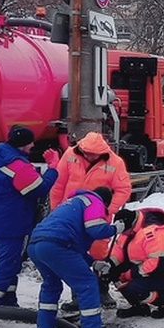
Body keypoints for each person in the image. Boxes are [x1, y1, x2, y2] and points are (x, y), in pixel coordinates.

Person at [0, 125, 59, 328]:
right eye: (30, 143)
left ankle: (8, 303)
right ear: (21, 144)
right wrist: (53, 168)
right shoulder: (16, 165)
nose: (32, 146)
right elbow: (37, 189)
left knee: (8, 263)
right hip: (13, 222)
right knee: (8, 267)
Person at [27, 186, 126, 328]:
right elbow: (95, 229)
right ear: (106, 201)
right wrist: (115, 228)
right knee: (86, 283)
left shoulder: (71, 203)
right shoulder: (94, 201)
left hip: (36, 244)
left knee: (51, 285)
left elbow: (74, 248)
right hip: (56, 244)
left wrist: (93, 262)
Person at [49, 130, 132, 310]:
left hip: (97, 218)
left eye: (92, 153)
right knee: (76, 255)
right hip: (72, 216)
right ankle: (78, 296)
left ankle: (102, 290)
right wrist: (56, 210)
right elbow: (58, 184)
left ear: (102, 151)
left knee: (100, 253)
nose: (88, 155)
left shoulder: (115, 162)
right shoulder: (70, 155)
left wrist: (108, 210)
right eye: (86, 152)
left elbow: (123, 189)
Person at [100, 205, 164, 320]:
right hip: (147, 266)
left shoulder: (154, 233)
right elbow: (119, 249)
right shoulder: (131, 228)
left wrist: (130, 274)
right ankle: (139, 307)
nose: (123, 234)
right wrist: (110, 265)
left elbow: (157, 263)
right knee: (116, 276)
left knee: (134, 287)